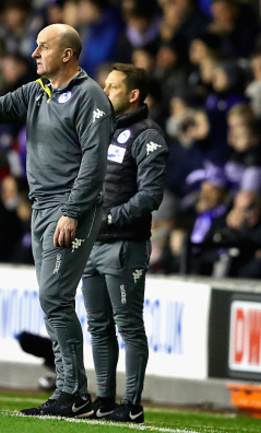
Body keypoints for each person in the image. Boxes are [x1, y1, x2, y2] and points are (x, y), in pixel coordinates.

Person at [0, 23, 114, 417]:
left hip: (71, 207)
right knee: (53, 301)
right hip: (42, 205)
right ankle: (70, 390)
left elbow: (95, 165)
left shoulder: (90, 97)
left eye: (42, 47)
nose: (34, 54)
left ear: (67, 54)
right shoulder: (36, 92)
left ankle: (72, 391)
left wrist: (72, 212)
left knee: (54, 297)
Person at [81, 64, 168, 423]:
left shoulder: (149, 136)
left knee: (128, 325)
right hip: (91, 245)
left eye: (113, 87)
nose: (105, 91)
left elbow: (151, 195)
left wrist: (111, 218)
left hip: (124, 245)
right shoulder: (101, 129)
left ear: (133, 95)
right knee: (98, 325)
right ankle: (104, 399)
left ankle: (131, 404)